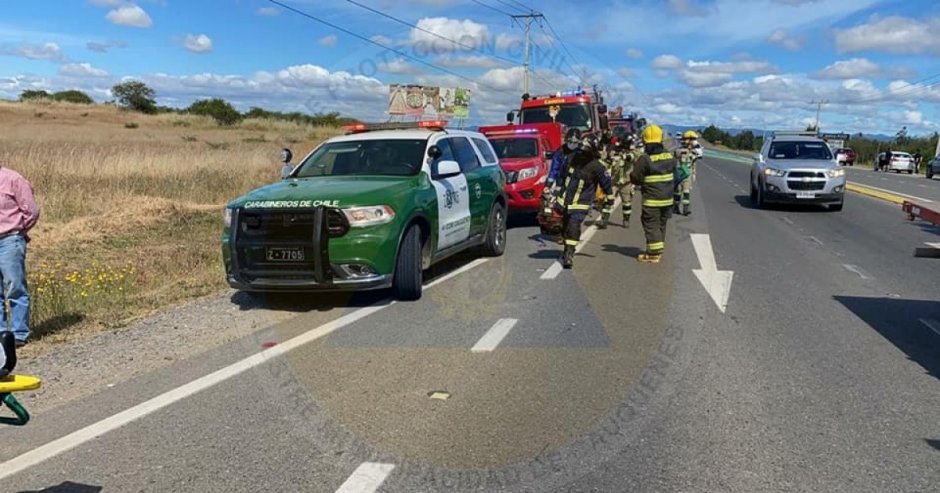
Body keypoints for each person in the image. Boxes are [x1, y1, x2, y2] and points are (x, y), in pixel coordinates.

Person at [557, 134, 613, 268]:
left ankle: (569, 254)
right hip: (565, 200)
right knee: (564, 227)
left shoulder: (596, 166)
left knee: (573, 225)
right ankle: (567, 247)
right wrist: (555, 189)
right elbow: (562, 175)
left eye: (585, 151)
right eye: (581, 150)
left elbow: (606, 183)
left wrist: (609, 198)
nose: (582, 153)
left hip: (581, 202)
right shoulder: (570, 159)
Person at [0, 164, 40, 348]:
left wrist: (19, 232)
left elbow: (31, 210)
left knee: (15, 286)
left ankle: (19, 333)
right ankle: (2, 336)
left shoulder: (13, 179)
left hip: (10, 239)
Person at [631, 124, 676, 264]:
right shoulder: (670, 157)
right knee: (661, 224)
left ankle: (653, 255)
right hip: (668, 199)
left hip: (651, 200)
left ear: (645, 141)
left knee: (651, 225)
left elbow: (635, 178)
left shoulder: (645, 159)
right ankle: (657, 249)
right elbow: (677, 175)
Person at [673, 130, 700, 216]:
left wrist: (694, 173)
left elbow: (694, 163)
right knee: (677, 191)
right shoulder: (679, 151)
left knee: (686, 191)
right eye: (691, 139)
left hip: (688, 174)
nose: (693, 141)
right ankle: (675, 207)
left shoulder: (694, 152)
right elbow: (675, 158)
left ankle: (685, 209)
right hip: (680, 173)